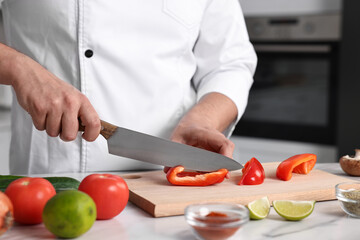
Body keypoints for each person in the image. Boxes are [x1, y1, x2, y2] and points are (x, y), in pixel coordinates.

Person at [0, 0, 257, 174]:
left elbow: (230, 63)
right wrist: (18, 67)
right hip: (46, 180)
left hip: (167, 178)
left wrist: (203, 121)